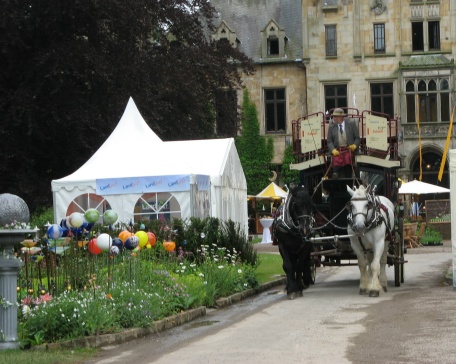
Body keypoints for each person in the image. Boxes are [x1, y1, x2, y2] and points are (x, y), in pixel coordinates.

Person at [327, 108, 360, 178]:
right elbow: (329, 141)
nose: (334, 118)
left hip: (348, 149)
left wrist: (354, 145)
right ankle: (335, 175)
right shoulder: (331, 126)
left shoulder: (351, 124)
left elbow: (357, 138)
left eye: (335, 116)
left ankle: (348, 179)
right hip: (338, 150)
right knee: (336, 160)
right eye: (333, 116)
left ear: (341, 117)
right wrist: (333, 149)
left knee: (348, 159)